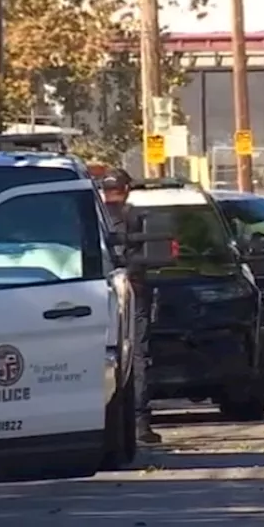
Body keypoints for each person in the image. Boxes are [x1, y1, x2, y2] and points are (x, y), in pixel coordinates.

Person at [100, 168, 161, 445]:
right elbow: (153, 255)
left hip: (94, 293)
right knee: (136, 355)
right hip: (133, 289)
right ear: (126, 189)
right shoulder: (136, 217)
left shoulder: (91, 216)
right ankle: (139, 424)